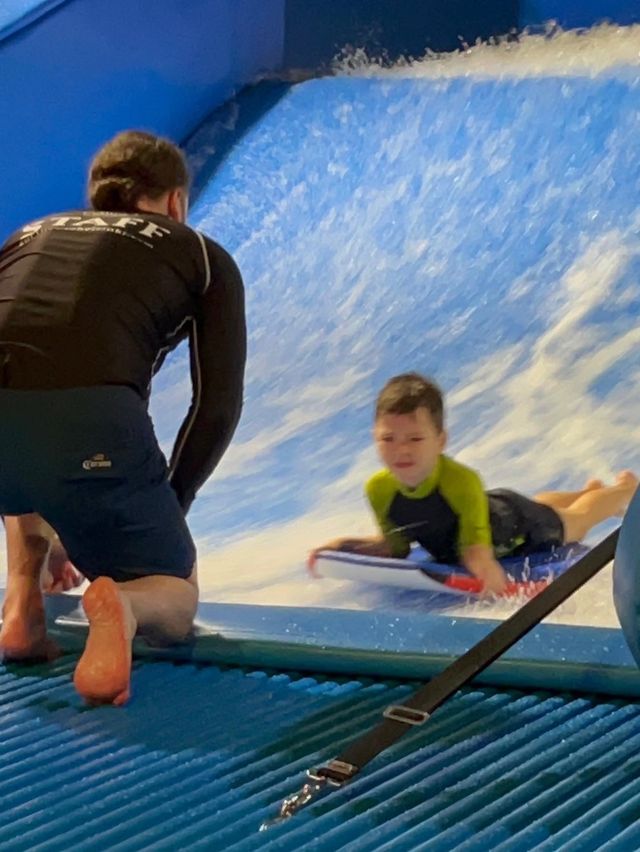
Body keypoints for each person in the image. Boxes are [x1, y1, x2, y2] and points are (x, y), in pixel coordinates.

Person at [0, 130, 246, 705]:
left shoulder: (29, 234)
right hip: (88, 414)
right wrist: (171, 509)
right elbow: (216, 406)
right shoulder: (200, 252)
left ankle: (21, 601)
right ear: (176, 203)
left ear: (96, 200)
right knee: (176, 595)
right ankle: (126, 607)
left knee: (22, 434)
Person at [310, 372, 638, 594]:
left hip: (513, 529)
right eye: (388, 438)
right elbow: (394, 546)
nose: (402, 449)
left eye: (414, 438)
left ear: (440, 440)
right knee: (542, 504)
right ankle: (591, 489)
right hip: (489, 507)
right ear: (374, 438)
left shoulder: (460, 481)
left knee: (577, 521)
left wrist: (491, 577)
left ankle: (625, 490)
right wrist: (342, 546)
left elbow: (476, 552)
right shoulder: (378, 489)